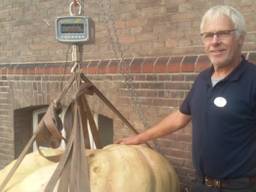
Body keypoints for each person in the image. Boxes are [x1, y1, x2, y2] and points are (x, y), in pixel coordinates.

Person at [117, 5, 256, 192]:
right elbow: (181, 117)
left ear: (240, 38)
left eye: (223, 33)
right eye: (208, 35)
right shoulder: (203, 79)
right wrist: (139, 138)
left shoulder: (252, 80)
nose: (215, 41)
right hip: (201, 185)